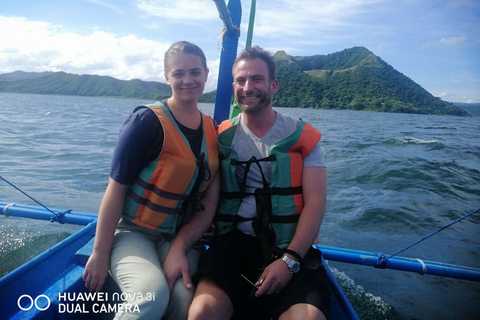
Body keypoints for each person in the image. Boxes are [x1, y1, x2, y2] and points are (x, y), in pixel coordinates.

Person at [188, 46, 331, 320]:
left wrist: (289, 261)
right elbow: (208, 195)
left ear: (273, 85)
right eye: (241, 80)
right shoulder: (223, 137)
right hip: (234, 245)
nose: (247, 87)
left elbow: (316, 204)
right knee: (201, 314)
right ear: (233, 86)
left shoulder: (302, 136)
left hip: (291, 247)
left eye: (256, 79)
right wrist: (205, 224)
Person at [82, 41, 220, 320]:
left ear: (206, 74)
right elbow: (116, 190)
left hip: (177, 237)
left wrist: (180, 246)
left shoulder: (211, 129)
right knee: (151, 294)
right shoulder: (145, 122)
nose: (187, 80)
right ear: (166, 76)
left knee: (184, 298)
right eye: (178, 73)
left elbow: (210, 199)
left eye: (195, 72)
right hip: (134, 232)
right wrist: (99, 253)